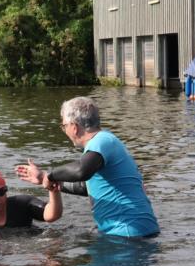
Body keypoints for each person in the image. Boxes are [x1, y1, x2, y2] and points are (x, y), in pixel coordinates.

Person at [15, 96, 159, 238]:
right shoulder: (106, 142)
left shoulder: (101, 141)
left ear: (74, 127)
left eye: (64, 126)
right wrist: (44, 178)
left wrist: (51, 175)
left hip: (126, 233)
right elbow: (86, 187)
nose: (64, 130)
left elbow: (81, 171)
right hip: (133, 231)